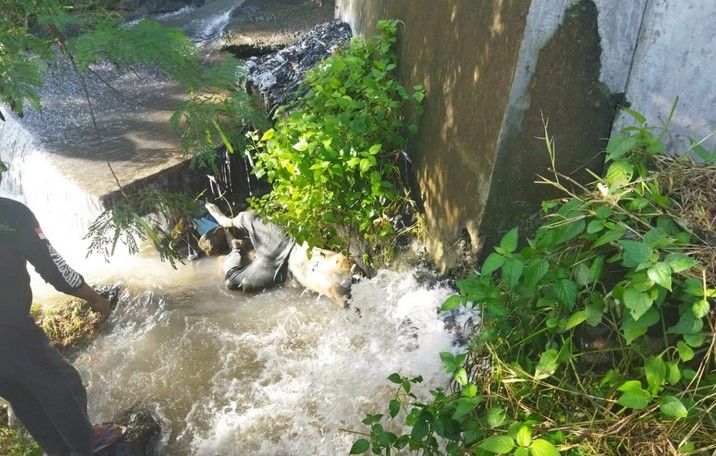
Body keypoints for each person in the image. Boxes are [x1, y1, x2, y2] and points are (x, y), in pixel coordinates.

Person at [0, 195, 122, 455]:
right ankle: (86, 445)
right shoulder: (11, 214)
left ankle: (58, 450)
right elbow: (53, 267)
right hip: (9, 328)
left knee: (22, 395)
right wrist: (94, 298)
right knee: (62, 383)